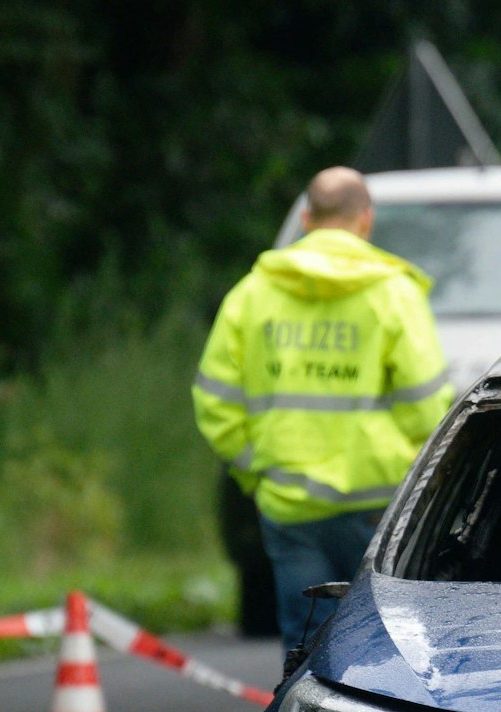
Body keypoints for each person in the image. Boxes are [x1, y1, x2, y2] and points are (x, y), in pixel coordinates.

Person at [194, 166, 452, 653]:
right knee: (381, 645)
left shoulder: (253, 294)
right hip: (376, 505)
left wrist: (258, 471)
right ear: (365, 220)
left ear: (308, 218)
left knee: (305, 644)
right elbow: (426, 408)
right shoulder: (393, 294)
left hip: (290, 503)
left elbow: (214, 401)